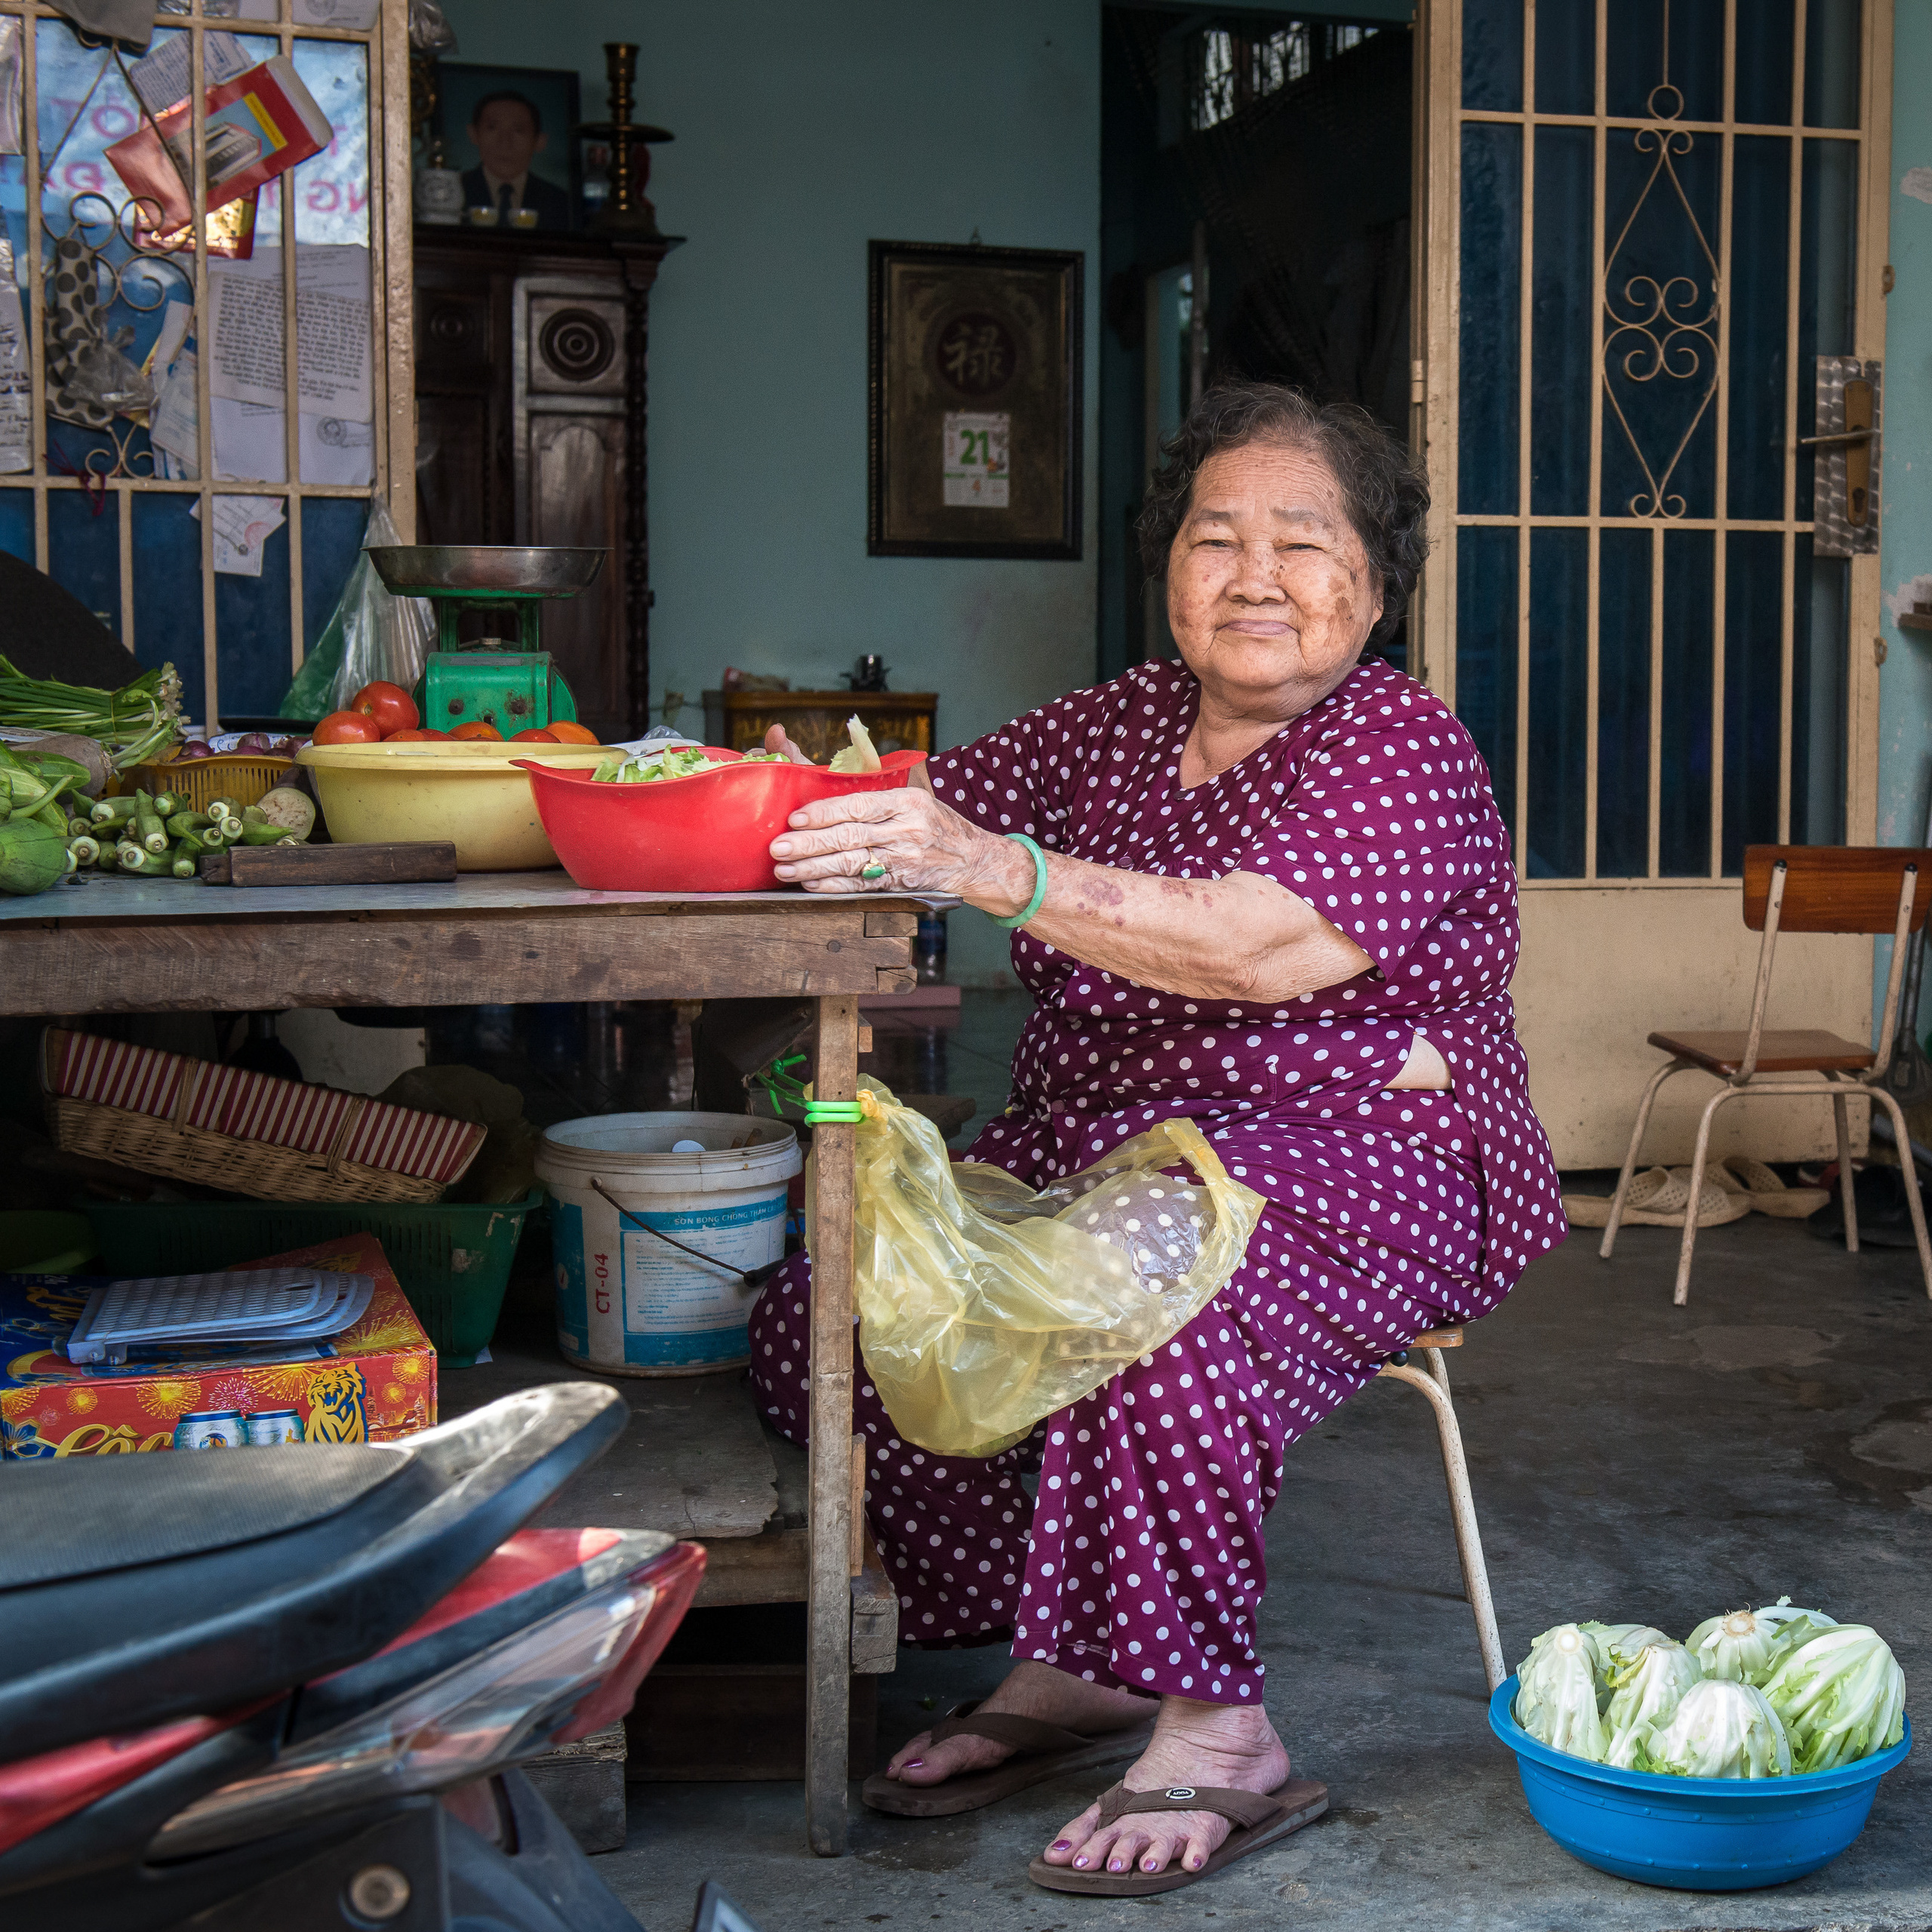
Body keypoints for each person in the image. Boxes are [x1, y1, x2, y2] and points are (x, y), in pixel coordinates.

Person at [752, 381, 1565, 1896]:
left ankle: (1217, 1732)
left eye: (1300, 542)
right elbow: (910, 807)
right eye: (1213, 538)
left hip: (1349, 1156)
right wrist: (782, 797)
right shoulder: (1112, 721)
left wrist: (993, 870)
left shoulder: (1400, 744)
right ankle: (1079, 1666)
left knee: (1141, 1304)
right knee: (832, 1307)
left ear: (1376, 579)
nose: (1254, 575)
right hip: (1092, 1147)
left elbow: (1256, 945)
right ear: (1169, 566)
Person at [460, 91, 573, 229]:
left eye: (518, 130)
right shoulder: (456, 190)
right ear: (473, 134)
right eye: (492, 128)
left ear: (540, 141)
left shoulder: (559, 201)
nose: (505, 142)